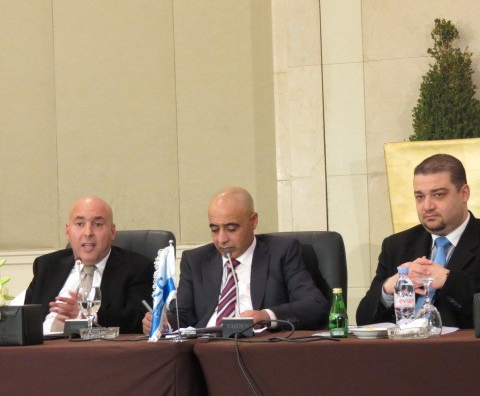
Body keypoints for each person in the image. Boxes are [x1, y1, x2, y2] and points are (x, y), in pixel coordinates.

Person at [142, 186, 329, 334]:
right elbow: (182, 315)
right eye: (215, 230)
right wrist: (164, 322)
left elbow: (315, 305)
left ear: (253, 221)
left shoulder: (281, 252)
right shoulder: (196, 260)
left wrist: (266, 316)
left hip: (259, 348)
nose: (222, 239)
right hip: (204, 349)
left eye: (231, 229)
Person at [356, 153, 480, 328]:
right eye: (420, 197)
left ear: (464, 194)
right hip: (405, 344)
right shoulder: (396, 245)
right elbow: (364, 321)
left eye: (438, 195)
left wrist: (448, 280)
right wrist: (388, 289)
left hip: (460, 345)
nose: (427, 206)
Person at [25, 196, 154, 334]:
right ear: (68, 232)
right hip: (41, 345)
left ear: (112, 231)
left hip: (99, 347)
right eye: (79, 224)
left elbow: (138, 318)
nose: (88, 233)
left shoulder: (138, 268)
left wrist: (85, 315)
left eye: (97, 224)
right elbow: (26, 317)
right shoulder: (46, 265)